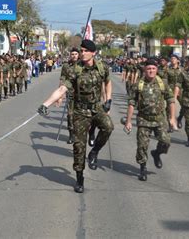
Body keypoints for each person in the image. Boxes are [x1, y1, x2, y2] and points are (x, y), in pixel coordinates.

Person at [37, 40, 114, 193]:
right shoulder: (75, 70)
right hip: (80, 111)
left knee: (108, 127)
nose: (82, 53)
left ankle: (95, 152)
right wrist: (45, 104)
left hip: (96, 107)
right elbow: (62, 89)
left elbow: (107, 82)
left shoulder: (102, 67)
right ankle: (79, 178)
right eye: (81, 50)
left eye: (85, 50)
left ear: (93, 52)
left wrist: (108, 100)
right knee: (79, 147)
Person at [124, 58, 176, 181]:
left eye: (153, 68)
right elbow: (131, 103)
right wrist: (128, 121)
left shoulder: (163, 83)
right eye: (148, 69)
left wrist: (172, 118)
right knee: (142, 146)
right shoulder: (138, 85)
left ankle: (157, 153)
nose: (151, 71)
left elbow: (171, 100)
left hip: (159, 119)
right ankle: (143, 168)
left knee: (166, 141)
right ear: (144, 70)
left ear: (156, 70)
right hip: (144, 120)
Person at [59, 47, 80, 144]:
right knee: (70, 115)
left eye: (76, 54)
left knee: (81, 117)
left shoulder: (83, 65)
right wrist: (60, 95)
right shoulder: (66, 66)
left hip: (82, 96)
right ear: (70, 55)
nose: (74, 56)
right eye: (72, 54)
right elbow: (62, 80)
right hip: (70, 95)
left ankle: (81, 134)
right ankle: (71, 134)